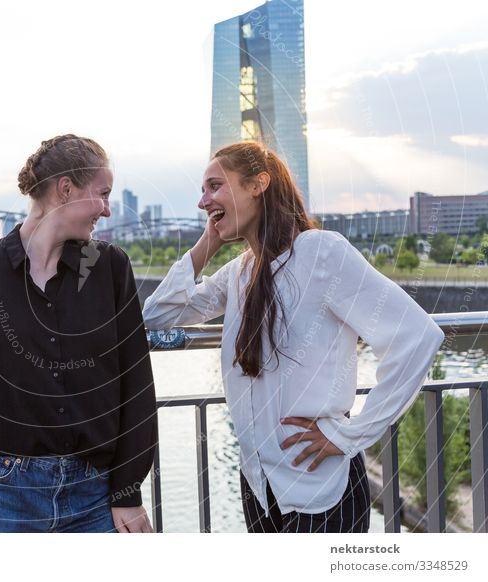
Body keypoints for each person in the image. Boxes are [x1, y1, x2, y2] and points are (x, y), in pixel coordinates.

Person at [142, 142, 445, 533]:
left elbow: (416, 337)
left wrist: (350, 435)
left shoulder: (320, 252)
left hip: (321, 488)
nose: (203, 201)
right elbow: (156, 316)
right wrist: (208, 242)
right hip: (260, 486)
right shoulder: (241, 272)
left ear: (258, 185)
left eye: (214, 186)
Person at [0, 134, 158, 533]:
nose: (106, 209)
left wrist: (128, 490)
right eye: (102, 194)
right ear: (65, 189)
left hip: (95, 498)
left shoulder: (110, 268)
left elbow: (136, 384)